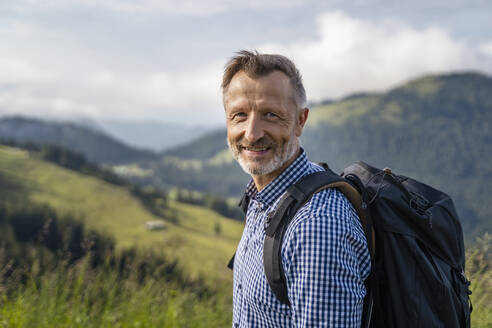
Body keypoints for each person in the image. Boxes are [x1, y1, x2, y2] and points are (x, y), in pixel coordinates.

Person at [222, 50, 371, 327]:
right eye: (239, 115)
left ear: (300, 121)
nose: (252, 133)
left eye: (271, 115)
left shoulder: (316, 225)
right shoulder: (263, 199)